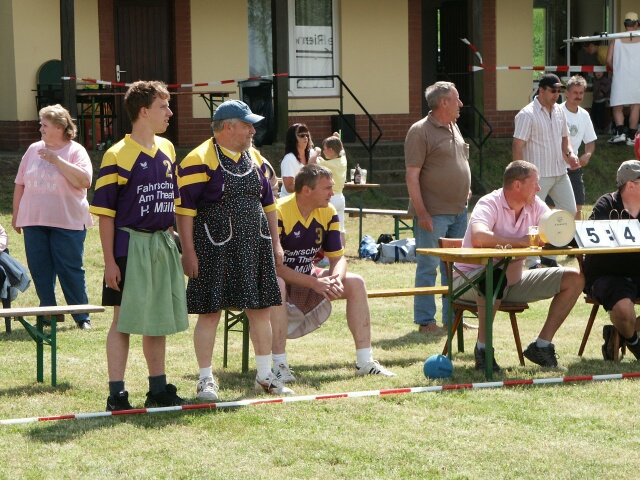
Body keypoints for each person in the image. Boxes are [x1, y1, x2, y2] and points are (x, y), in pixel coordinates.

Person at [176, 99, 293, 399]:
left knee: (261, 310)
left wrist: (276, 243)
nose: (253, 131)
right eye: (247, 125)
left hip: (255, 245)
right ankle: (205, 379)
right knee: (210, 313)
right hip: (213, 248)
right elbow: (184, 211)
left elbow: (269, 204)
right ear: (228, 127)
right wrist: (188, 251)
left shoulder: (256, 158)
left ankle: (264, 376)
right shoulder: (198, 159)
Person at [90, 80, 189, 411]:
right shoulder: (117, 154)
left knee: (157, 318)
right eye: (163, 106)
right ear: (144, 111)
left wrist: (177, 245)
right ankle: (116, 394)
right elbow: (105, 214)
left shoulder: (168, 149)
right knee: (123, 320)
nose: (170, 113)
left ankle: (158, 389)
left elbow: (173, 203)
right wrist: (110, 262)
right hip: (128, 246)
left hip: (161, 244)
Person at [452, 160, 584, 371]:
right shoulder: (489, 202)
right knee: (493, 278)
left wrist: (565, 233)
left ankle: (541, 346)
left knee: (574, 278)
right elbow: (478, 236)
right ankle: (483, 349)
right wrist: (521, 242)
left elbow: (553, 229)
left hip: (513, 281)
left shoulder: (535, 205)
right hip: (469, 281)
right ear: (517, 185)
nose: (539, 188)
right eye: (535, 183)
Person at [269, 164, 395, 382]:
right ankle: (279, 364)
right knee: (278, 283)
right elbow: (275, 267)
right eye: (327, 188)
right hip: (276, 279)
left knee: (355, 282)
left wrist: (335, 279)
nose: (332, 193)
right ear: (306, 190)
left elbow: (338, 258)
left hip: (307, 275)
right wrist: (315, 283)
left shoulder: (328, 212)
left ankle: (365, 361)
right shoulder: (279, 211)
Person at [12, 104, 93, 329]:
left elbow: (84, 181)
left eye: (45, 125)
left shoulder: (76, 151)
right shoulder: (33, 149)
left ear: (59, 127)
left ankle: (81, 316)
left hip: (68, 221)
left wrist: (56, 160)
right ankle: (48, 313)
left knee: (70, 268)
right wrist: (17, 213)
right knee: (40, 268)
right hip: (34, 219)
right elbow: (20, 183)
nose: (41, 129)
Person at [405, 81, 471, 333]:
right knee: (428, 267)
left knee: (455, 268)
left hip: (459, 211)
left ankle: (453, 318)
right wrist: (422, 212)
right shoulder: (419, 131)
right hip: (433, 214)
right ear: (443, 102)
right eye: (457, 99)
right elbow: (412, 176)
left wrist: (464, 188)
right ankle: (426, 321)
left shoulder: (454, 126)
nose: (461, 104)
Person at [513, 73, 579, 268]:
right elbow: (517, 146)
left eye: (558, 91)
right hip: (537, 177)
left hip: (560, 172)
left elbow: (565, 140)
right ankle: (532, 261)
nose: (556, 95)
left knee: (569, 210)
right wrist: (521, 176)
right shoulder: (527, 114)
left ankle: (549, 256)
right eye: (552, 91)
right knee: (532, 217)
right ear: (540, 90)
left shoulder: (560, 111)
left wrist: (570, 154)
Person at [582, 160, 640, 362]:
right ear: (630, 185)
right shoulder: (606, 205)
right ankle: (635, 342)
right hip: (606, 274)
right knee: (623, 309)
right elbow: (590, 238)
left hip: (637, 272)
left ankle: (622, 331)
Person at [561, 75, 597, 221]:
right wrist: (566, 157)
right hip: (555, 166)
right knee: (552, 208)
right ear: (567, 93)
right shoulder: (557, 111)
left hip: (574, 167)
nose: (578, 96)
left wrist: (587, 155)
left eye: (581, 93)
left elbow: (590, 141)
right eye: (575, 92)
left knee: (578, 206)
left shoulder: (584, 115)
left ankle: (576, 233)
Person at [607, 12, 640, 146]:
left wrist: (616, 69)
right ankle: (632, 137)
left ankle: (620, 133)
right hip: (637, 77)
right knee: (635, 106)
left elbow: (608, 60)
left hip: (620, 76)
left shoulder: (616, 39)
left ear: (625, 24)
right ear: (636, 23)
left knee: (617, 105)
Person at [314, 133, 348, 247]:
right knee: (341, 228)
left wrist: (316, 152)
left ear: (331, 150)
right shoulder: (343, 160)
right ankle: (342, 251)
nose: (323, 151)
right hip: (340, 198)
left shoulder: (326, 164)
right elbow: (343, 152)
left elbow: (313, 161)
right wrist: (338, 140)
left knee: (325, 228)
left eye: (324, 149)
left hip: (330, 199)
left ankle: (325, 253)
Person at [280, 123, 320, 198]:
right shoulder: (289, 159)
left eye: (307, 135)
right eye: (301, 135)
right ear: (293, 138)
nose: (305, 138)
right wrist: (308, 188)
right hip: (291, 201)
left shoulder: (312, 154)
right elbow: (289, 187)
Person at [591, 70, 611, 134]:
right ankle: (596, 128)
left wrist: (603, 91)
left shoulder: (604, 79)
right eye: (597, 71)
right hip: (595, 100)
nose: (598, 73)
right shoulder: (594, 80)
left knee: (600, 116)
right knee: (593, 115)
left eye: (600, 71)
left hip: (602, 101)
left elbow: (609, 84)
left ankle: (600, 129)